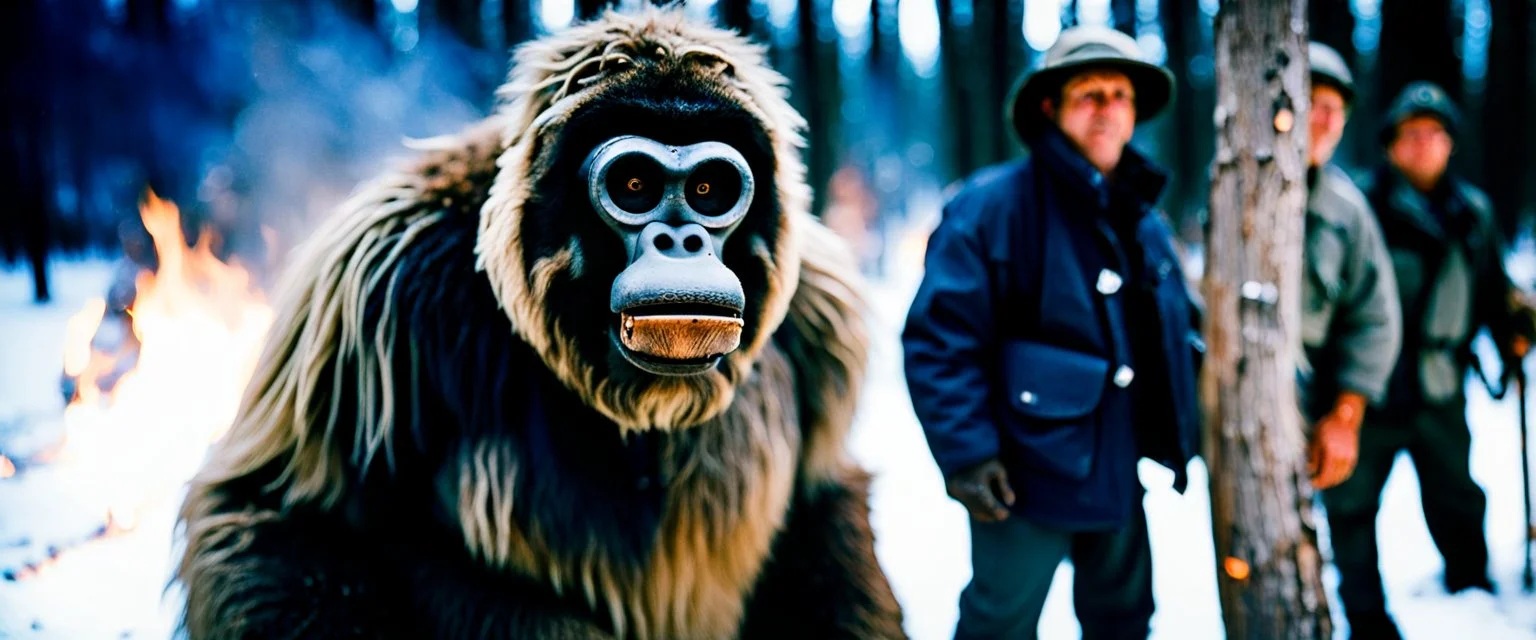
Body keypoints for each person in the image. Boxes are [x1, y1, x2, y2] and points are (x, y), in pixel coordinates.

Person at [902, 26, 1202, 639]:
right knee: (998, 626)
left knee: (1123, 621)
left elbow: (1178, 326)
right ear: (1051, 107)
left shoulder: (1144, 219)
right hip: (1021, 478)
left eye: (1119, 94)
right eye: (1088, 94)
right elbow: (940, 340)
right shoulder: (991, 207)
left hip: (1118, 470)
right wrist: (967, 454)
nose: (1107, 109)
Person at [1324, 80, 1536, 639]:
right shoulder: (1361, 206)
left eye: (1434, 134)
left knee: (1458, 497)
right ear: (1391, 144)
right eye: (1411, 134)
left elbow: (1490, 287)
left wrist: (1513, 326)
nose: (1423, 145)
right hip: (1367, 390)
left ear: (1450, 144)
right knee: (1352, 507)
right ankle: (1366, 617)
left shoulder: (1472, 214)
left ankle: (1471, 596)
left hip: (1439, 385)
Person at [1295, 42, 1402, 493]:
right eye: (1312, 103)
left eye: (1335, 109)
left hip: (1308, 404)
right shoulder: (1226, 187)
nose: (1325, 120)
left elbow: (1375, 318)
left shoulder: (1346, 211)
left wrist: (1345, 414)